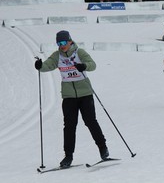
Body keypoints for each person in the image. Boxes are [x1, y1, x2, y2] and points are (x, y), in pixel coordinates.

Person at [34, 30, 109, 167]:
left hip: (85, 93)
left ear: (70, 41)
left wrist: (84, 66)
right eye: (59, 43)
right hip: (68, 96)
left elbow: (93, 65)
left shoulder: (79, 53)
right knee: (69, 126)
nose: (62, 45)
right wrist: (40, 66)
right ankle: (68, 156)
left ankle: (103, 148)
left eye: (63, 42)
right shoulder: (57, 56)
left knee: (90, 121)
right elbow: (47, 65)